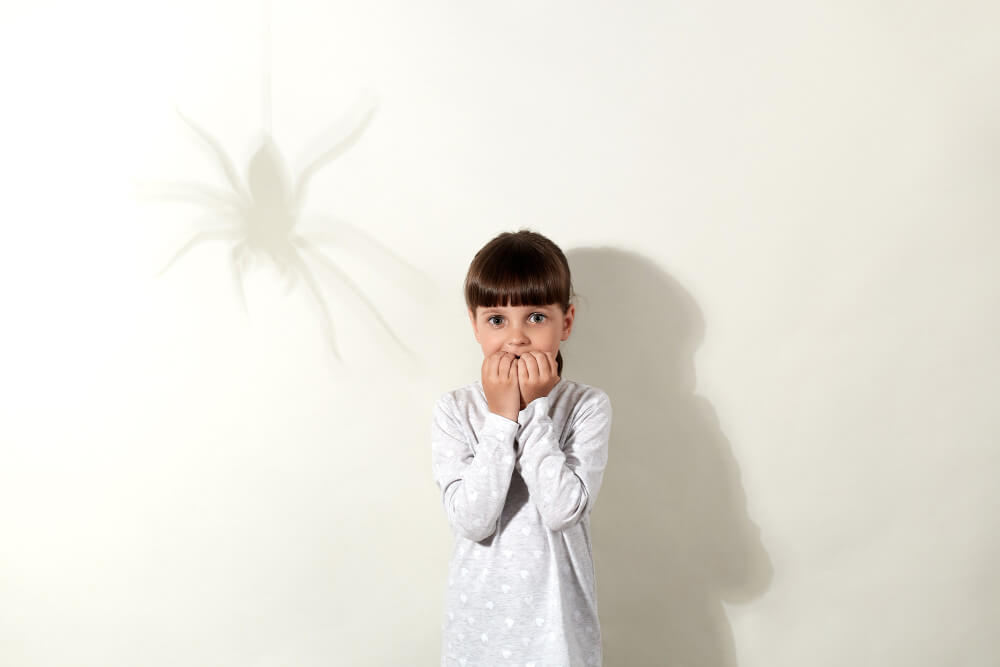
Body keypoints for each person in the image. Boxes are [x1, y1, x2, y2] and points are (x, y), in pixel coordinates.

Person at [430, 228, 613, 666]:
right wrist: (500, 419)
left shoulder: (586, 406)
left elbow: (562, 510)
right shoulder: (454, 410)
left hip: (558, 636)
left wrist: (534, 410)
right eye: (497, 320)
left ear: (566, 321)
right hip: (479, 632)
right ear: (475, 324)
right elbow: (472, 521)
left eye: (535, 317)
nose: (516, 338)